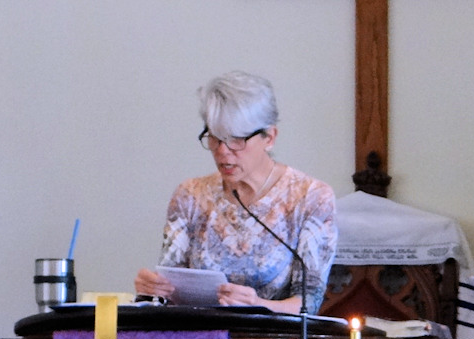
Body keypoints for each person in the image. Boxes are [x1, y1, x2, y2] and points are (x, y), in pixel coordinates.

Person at [134, 71, 337, 314]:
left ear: (269, 137)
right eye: (215, 137)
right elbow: (169, 289)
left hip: (274, 336)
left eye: (237, 139)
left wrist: (259, 306)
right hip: (200, 333)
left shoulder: (311, 197)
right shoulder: (190, 196)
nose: (223, 151)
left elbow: (309, 302)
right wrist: (153, 289)